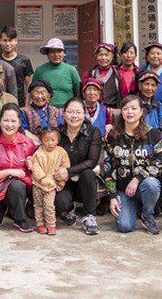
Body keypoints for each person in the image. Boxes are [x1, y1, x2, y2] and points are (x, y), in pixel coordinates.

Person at [104, 95, 162, 234]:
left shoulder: (152, 134)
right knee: (124, 226)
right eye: (125, 108)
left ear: (141, 111)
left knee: (152, 184)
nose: (129, 112)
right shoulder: (114, 135)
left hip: (144, 185)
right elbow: (109, 166)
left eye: (134, 108)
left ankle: (147, 215)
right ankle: (131, 207)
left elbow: (159, 162)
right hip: (123, 188)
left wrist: (137, 178)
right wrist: (112, 196)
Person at [0, 103, 37, 233]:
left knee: (17, 186)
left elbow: (32, 173)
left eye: (13, 121)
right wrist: (10, 172)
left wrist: (31, 166)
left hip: (17, 188)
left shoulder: (27, 143)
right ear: (0, 122)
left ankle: (20, 219)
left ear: (19, 123)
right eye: (5, 120)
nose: (9, 125)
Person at [54, 97, 103, 235]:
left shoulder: (93, 132)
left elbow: (92, 161)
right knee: (60, 204)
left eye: (78, 112)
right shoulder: (57, 133)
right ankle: (69, 209)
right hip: (64, 182)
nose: (74, 116)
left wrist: (69, 171)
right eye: (70, 112)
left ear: (84, 114)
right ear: (63, 114)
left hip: (84, 182)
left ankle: (89, 216)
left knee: (88, 173)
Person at [29, 127, 70, 235]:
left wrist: (62, 179)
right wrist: (42, 178)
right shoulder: (38, 153)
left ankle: (51, 224)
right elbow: (35, 167)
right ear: (41, 141)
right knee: (38, 205)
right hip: (38, 184)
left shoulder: (61, 152)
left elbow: (65, 166)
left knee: (49, 206)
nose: (50, 143)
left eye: (53, 140)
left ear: (58, 140)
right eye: (46, 140)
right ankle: (40, 224)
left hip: (51, 184)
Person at [32, 37, 81, 108]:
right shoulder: (40, 70)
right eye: (52, 52)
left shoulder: (71, 70)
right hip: (46, 110)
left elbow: (78, 92)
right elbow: (34, 92)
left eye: (59, 51)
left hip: (67, 110)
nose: (56, 54)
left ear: (63, 53)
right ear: (47, 54)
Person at [0, 25, 34, 106]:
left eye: (10, 40)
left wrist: (26, 105)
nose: (8, 44)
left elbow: (28, 85)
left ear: (16, 41)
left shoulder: (24, 60)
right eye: (5, 40)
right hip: (0, 103)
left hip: (20, 104)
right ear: (0, 41)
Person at [80, 43, 121, 108]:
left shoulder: (118, 75)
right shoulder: (88, 74)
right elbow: (81, 95)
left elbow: (124, 96)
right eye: (100, 55)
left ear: (111, 57)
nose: (103, 58)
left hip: (113, 110)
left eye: (106, 55)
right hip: (92, 110)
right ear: (96, 56)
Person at [135, 71, 162, 145]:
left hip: (155, 142)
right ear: (140, 85)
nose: (149, 88)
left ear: (157, 87)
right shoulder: (134, 103)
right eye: (146, 84)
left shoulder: (158, 105)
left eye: (153, 85)